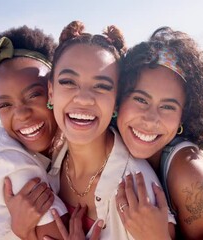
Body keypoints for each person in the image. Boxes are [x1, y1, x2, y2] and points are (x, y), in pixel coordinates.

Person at [41, 20, 177, 240]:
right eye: (68, 81)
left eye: (102, 86)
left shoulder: (139, 191)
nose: (84, 99)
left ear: (117, 101)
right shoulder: (44, 163)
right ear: (50, 92)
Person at [114, 26, 203, 239]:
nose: (151, 118)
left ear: (184, 116)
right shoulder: (104, 141)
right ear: (118, 101)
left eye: (168, 106)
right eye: (141, 99)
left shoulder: (189, 174)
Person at [0, 26, 68, 240]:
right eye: (5, 104)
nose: (22, 114)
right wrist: (25, 233)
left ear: (55, 90)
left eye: (34, 95)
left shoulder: (66, 143)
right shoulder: (7, 156)